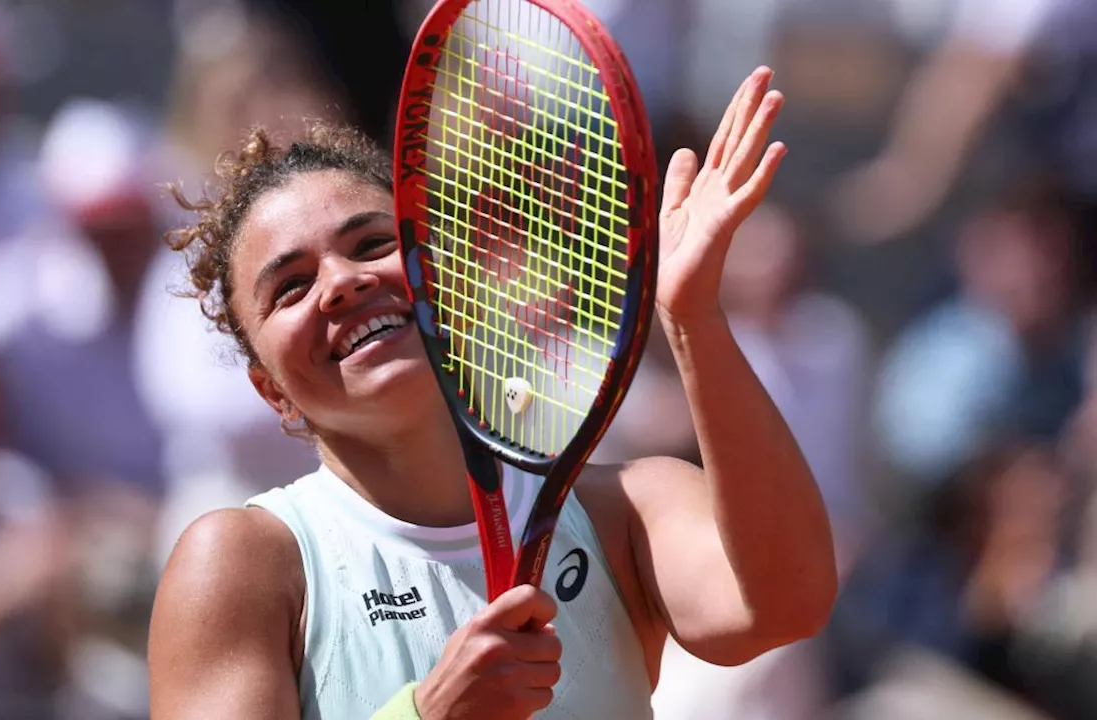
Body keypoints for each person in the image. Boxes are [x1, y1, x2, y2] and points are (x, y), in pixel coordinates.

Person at [148, 67, 838, 718]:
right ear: (273, 393)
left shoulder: (623, 510)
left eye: (371, 244)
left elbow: (786, 604)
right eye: (291, 286)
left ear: (450, 286)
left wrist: (691, 319)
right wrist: (427, 714)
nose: (343, 282)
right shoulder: (240, 564)